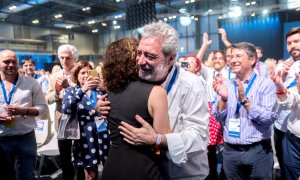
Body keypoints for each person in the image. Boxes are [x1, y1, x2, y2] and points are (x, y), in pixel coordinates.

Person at [98, 22, 210, 179]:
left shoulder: (191, 84)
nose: (140, 61)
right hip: (150, 171)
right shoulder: (138, 77)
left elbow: (200, 137)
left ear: (170, 59)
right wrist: (101, 106)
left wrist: (159, 139)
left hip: (184, 173)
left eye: (150, 56)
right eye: (139, 53)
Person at [101, 38, 171, 179]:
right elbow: (165, 143)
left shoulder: (109, 93)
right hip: (143, 169)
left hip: (112, 167)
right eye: (139, 53)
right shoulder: (156, 92)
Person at [213, 42, 277, 179]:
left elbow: (268, 118)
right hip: (230, 152)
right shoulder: (227, 85)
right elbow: (218, 117)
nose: (233, 60)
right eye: (231, 57)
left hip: (257, 151)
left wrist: (244, 101)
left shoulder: (266, 85)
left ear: (252, 59)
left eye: (238, 56)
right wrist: (223, 99)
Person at [0, 50, 47, 179]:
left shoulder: (32, 83)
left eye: (13, 61)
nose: (10, 64)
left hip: (25, 137)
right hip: (2, 139)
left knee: (27, 176)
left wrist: (23, 111)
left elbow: (43, 107)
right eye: (6, 61)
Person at [62, 61, 110, 180]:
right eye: (82, 73)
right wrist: (82, 90)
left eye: (89, 72)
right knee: (91, 175)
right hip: (86, 138)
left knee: (109, 170)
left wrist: (105, 88)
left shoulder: (99, 90)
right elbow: (66, 109)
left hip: (104, 135)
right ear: (76, 76)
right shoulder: (72, 91)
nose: (86, 75)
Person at [45, 44, 84, 180]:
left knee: (80, 155)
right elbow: (48, 100)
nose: (64, 61)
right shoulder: (55, 76)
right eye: (61, 57)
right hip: (61, 120)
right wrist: (56, 92)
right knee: (65, 157)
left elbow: (84, 96)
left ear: (75, 59)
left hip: (80, 120)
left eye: (68, 58)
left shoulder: (81, 74)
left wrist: (66, 90)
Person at [182, 55, 223, 180]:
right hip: (187, 114)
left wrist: (204, 45)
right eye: (186, 62)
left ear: (198, 66)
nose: (188, 64)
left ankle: (213, 174)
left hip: (205, 112)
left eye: (192, 62)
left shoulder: (202, 77)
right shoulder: (180, 78)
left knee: (209, 148)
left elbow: (198, 59)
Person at [272, 26, 300, 179]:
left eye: (297, 41)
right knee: (286, 170)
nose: (292, 46)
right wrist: (281, 78)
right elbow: (273, 94)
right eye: (289, 43)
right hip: (283, 127)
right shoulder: (283, 66)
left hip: (296, 127)